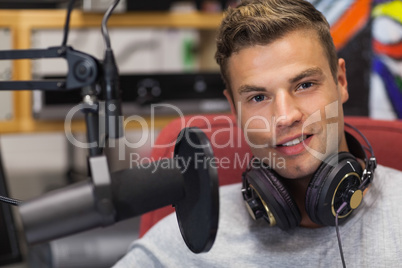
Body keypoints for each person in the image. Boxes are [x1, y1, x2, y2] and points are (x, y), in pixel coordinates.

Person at [113, 0, 402, 267]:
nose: (286, 116)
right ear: (235, 109)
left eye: (304, 85)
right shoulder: (185, 243)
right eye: (258, 97)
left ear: (340, 81)